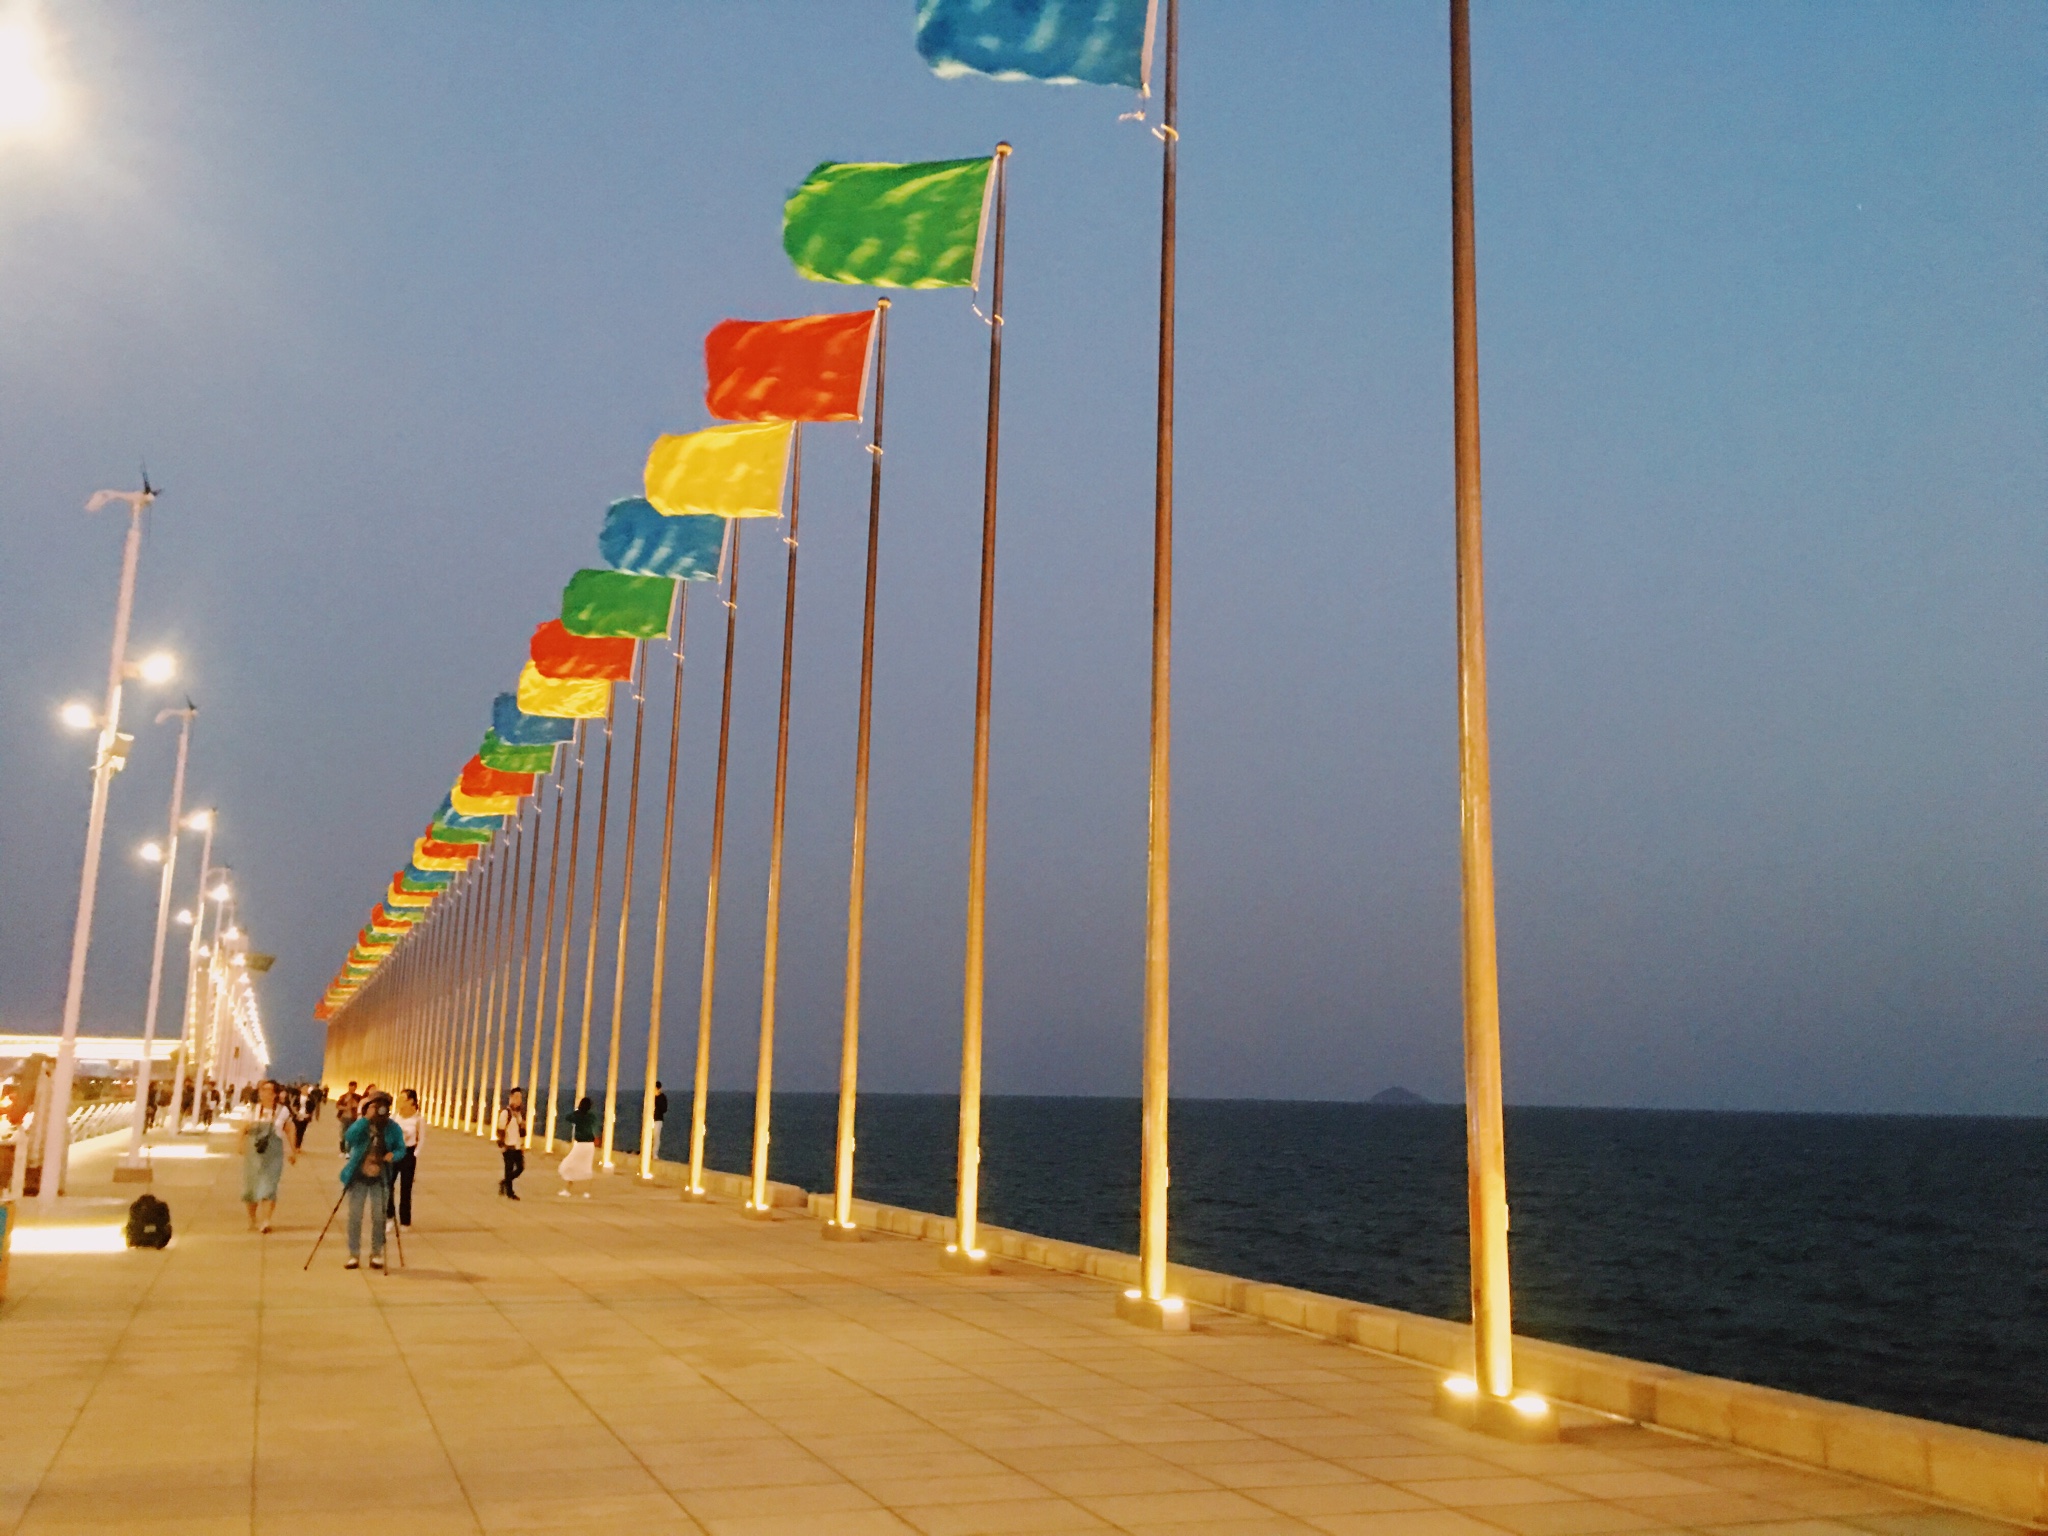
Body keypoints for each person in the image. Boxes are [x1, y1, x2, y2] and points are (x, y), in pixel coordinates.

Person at [338, 1091, 404, 1271]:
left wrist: (393, 1155)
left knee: (379, 1216)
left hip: (381, 1177)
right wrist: (366, 1119)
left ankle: (376, 1253)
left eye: (383, 1106)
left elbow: (401, 1148)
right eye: (376, 1105)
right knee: (355, 1216)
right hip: (358, 1176)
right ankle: (353, 1254)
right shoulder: (363, 1124)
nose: (380, 1109)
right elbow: (349, 1138)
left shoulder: (392, 1127)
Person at [237, 1079, 298, 1234]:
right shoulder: (252, 1109)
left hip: (273, 1154)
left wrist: (293, 1150)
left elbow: (290, 1129)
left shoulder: (282, 1111)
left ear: (276, 1094)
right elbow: (243, 1128)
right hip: (253, 1154)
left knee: (269, 1186)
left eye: (270, 1090)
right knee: (251, 1187)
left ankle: (266, 1221)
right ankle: (252, 1218)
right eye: (263, 1090)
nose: (266, 1093)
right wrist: (240, 1144)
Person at [391, 1089, 423, 1226]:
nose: (400, 1101)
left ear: (411, 1101)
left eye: (402, 1098)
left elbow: (421, 1139)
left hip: (408, 1153)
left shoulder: (418, 1119)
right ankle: (389, 1215)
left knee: (406, 1188)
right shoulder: (395, 1117)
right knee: (388, 1185)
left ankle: (405, 1220)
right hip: (394, 1153)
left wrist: (414, 1154)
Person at [557, 1096, 597, 1197]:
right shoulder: (591, 1116)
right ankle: (587, 1191)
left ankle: (567, 1189)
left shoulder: (578, 1115)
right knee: (587, 1167)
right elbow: (594, 1122)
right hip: (590, 1145)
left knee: (568, 1165)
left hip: (581, 1144)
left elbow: (568, 1117)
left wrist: (577, 1111)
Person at [495, 1088, 527, 1199]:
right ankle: (510, 1192)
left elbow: (522, 1133)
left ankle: (504, 1182)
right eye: (516, 1097)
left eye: (520, 1097)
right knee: (508, 1169)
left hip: (517, 1146)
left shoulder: (519, 1114)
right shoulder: (506, 1113)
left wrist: (522, 1126)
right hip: (508, 1145)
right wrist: (502, 1145)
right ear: (511, 1098)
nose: (519, 1100)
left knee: (520, 1168)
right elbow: (500, 1130)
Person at [335, 1081, 361, 1152]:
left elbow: (360, 1105)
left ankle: (349, 1147)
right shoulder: (344, 1096)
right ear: (349, 1087)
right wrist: (345, 1107)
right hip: (344, 1117)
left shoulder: (358, 1097)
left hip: (353, 1117)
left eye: (354, 1087)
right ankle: (342, 1147)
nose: (353, 1089)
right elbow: (338, 1105)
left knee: (352, 1132)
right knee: (343, 1133)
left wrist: (355, 1105)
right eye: (351, 1087)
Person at [650, 1080, 667, 1158]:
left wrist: (657, 1101)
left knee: (656, 1137)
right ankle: (647, 1151)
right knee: (649, 1136)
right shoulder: (650, 1096)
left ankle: (654, 1153)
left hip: (658, 1119)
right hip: (650, 1119)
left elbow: (664, 1109)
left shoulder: (662, 1097)